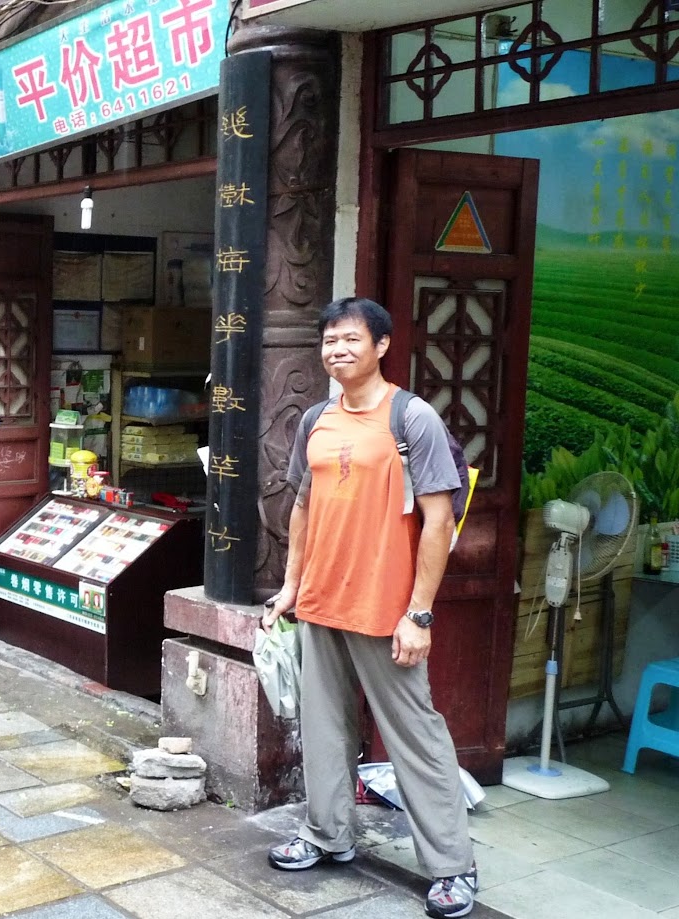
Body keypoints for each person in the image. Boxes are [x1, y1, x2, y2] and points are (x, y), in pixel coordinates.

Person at [262, 297, 477, 919]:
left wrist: (420, 613)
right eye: (330, 340)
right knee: (324, 727)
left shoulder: (412, 419)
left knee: (415, 735)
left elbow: (438, 521)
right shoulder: (316, 419)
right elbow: (303, 507)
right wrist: (291, 586)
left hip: (386, 609)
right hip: (322, 602)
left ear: (381, 346)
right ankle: (327, 834)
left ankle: (452, 867)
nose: (338, 350)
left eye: (352, 339)